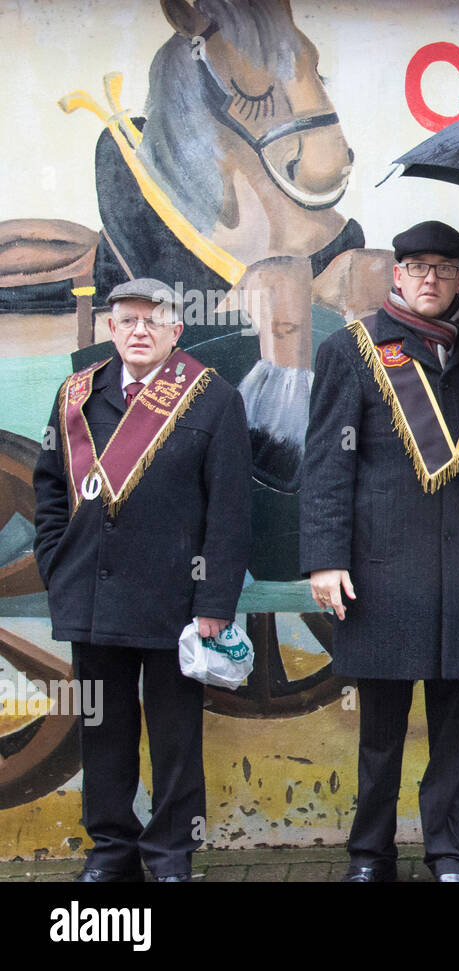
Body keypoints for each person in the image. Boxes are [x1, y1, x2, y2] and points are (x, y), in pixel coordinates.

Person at [299, 220, 459, 882]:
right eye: (417, 267)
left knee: (458, 731)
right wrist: (326, 558)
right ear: (398, 277)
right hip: (384, 574)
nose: (430, 279)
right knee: (381, 732)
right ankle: (369, 855)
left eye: (444, 268)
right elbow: (325, 465)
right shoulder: (351, 352)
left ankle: (448, 853)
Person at [32, 277, 252, 882]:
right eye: (127, 320)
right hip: (92, 596)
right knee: (102, 731)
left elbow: (230, 512)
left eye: (153, 321)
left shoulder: (213, 399)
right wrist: (57, 565)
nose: (139, 331)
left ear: (176, 331)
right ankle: (111, 852)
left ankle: (170, 855)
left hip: (174, 602)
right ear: (110, 327)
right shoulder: (77, 394)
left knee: (175, 738)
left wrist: (214, 602)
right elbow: (50, 488)